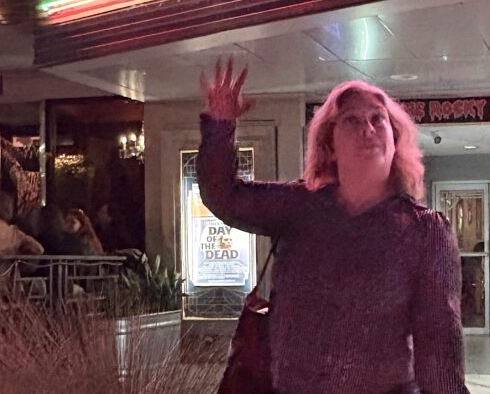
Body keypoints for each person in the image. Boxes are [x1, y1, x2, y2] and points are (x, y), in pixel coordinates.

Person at [198, 61, 468, 394]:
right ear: (330, 144)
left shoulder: (424, 232)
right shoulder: (300, 207)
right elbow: (224, 196)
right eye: (351, 120)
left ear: (396, 140)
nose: (366, 129)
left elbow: (439, 346)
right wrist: (221, 125)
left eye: (377, 119)